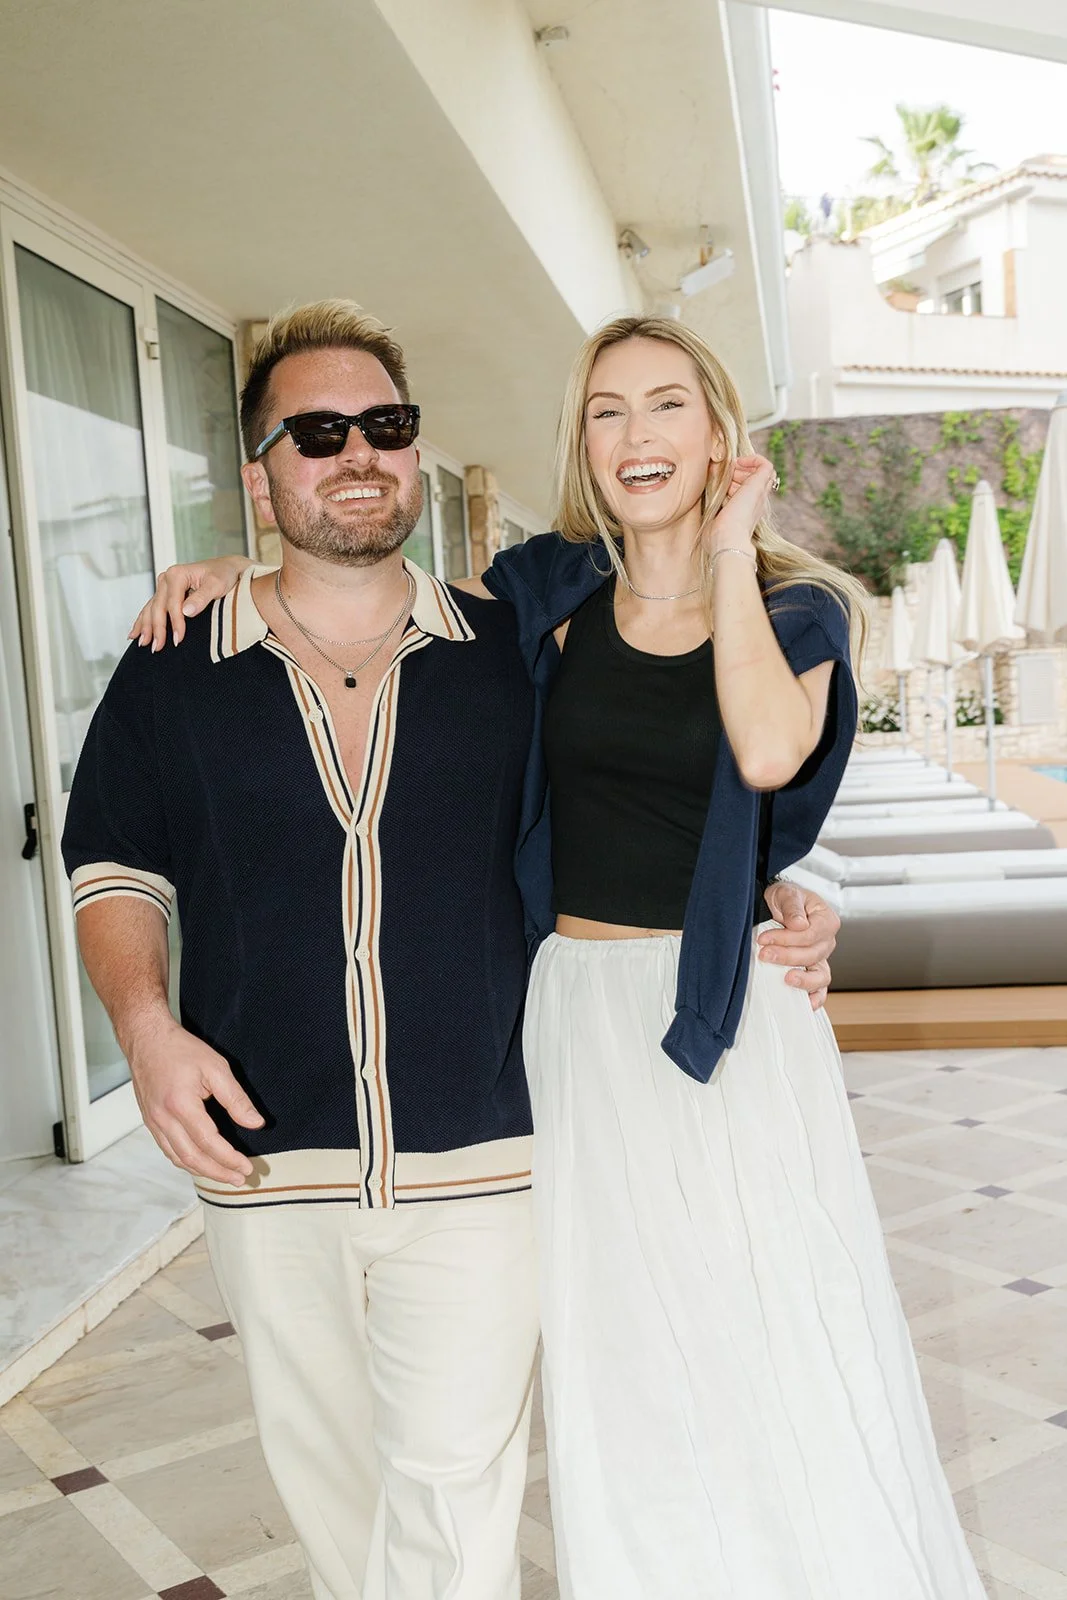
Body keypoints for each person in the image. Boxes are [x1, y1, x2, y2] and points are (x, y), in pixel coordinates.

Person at [71, 300, 840, 1600]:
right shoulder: (176, 663)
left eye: (384, 425)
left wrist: (772, 888)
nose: (356, 452)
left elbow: (645, 791)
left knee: (451, 1494)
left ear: (415, 454)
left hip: (486, 1155)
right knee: (328, 1487)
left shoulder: (509, 651)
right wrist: (146, 1030)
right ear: (258, 478)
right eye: (315, 432)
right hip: (266, 1158)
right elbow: (114, 872)